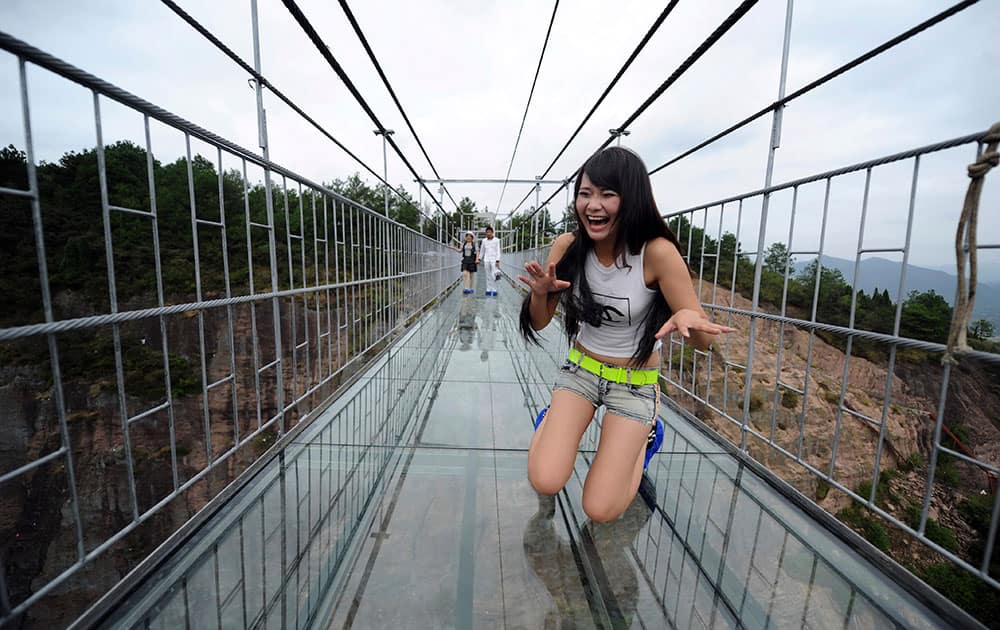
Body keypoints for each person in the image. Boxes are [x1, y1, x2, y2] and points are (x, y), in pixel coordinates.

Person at [518, 146, 733, 523]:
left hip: (634, 384)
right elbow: (538, 322)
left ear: (631, 199)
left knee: (599, 510)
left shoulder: (658, 253)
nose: (593, 205)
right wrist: (540, 295)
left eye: (607, 194)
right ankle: (552, 420)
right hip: (580, 373)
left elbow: (704, 341)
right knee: (545, 479)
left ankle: (646, 438)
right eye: (585, 194)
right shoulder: (569, 246)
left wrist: (687, 315)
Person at [476, 226, 502, 296]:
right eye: (487, 232)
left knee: (494, 274)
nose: (488, 233)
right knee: (487, 274)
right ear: (486, 233)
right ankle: (488, 289)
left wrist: (497, 260)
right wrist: (479, 259)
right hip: (486, 259)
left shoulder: (497, 240)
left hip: (494, 259)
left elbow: (498, 251)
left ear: (492, 233)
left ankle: (494, 289)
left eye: (490, 232)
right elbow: (482, 251)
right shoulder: (484, 241)